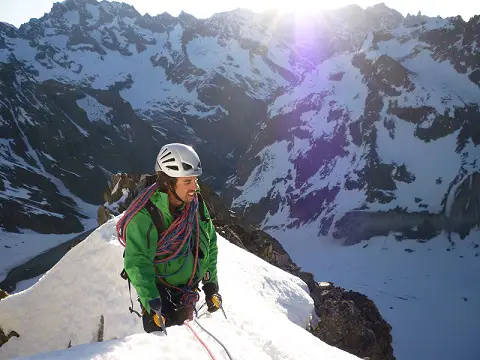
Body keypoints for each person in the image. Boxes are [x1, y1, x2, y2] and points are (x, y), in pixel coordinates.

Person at [123, 143, 221, 333]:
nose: (195, 187)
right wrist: (152, 303)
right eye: (187, 182)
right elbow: (137, 263)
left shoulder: (197, 205)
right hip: (161, 292)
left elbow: (210, 243)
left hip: (188, 291)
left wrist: (210, 284)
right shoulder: (145, 216)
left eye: (195, 180)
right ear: (168, 183)